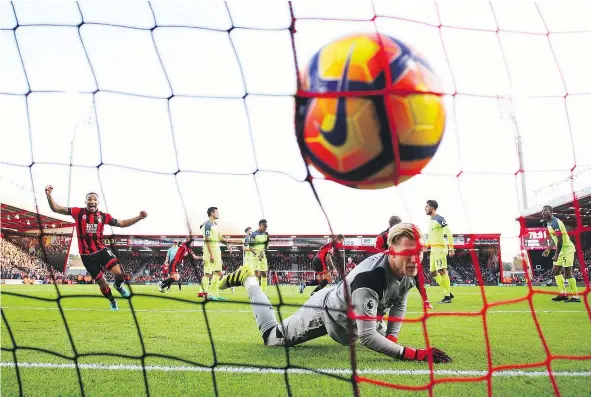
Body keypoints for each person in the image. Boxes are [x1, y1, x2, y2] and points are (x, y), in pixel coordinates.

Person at [219, 223, 451, 363]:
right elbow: (368, 338)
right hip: (325, 312)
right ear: (391, 251)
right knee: (271, 338)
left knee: (374, 331)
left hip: (350, 315)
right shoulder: (369, 278)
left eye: (420, 251)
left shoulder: (410, 269)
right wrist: (414, 354)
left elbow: (399, 301)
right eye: (409, 251)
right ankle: (248, 279)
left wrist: (392, 338)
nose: (415, 258)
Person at [45, 185, 147, 310]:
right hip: (86, 257)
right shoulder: (78, 212)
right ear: (86, 201)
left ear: (98, 202)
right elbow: (56, 209)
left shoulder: (104, 217)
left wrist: (139, 217)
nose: (92, 201)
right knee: (102, 284)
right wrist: (49, 195)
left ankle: (119, 286)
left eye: (94, 199)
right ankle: (112, 300)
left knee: (120, 274)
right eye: (89, 199)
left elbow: (122, 223)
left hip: (101, 251)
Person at [376, 216, 432, 310]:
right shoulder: (382, 237)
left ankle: (426, 301)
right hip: (387, 265)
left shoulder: (404, 235)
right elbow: (379, 253)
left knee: (419, 277)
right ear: (391, 226)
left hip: (403, 262)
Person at [541, 206, 580, 302]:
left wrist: (556, 254)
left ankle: (576, 296)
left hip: (567, 249)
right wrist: (548, 249)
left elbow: (560, 240)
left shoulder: (555, 223)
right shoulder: (548, 223)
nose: (543, 212)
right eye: (543, 210)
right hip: (561, 250)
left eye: (546, 210)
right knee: (555, 271)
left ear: (551, 212)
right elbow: (554, 239)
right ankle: (563, 294)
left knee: (567, 272)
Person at [200, 207, 233, 301]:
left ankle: (215, 294)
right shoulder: (207, 225)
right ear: (211, 213)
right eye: (216, 212)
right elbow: (207, 240)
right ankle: (209, 294)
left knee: (218, 272)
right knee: (213, 272)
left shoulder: (215, 224)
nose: (218, 214)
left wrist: (227, 244)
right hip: (210, 251)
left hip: (217, 250)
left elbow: (219, 237)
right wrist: (211, 254)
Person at [425, 200, 455, 304]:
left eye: (427, 206)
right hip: (433, 250)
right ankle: (448, 291)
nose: (425, 208)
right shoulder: (430, 221)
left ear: (432, 208)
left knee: (442, 270)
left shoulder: (440, 219)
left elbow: (449, 234)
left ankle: (447, 297)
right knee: (433, 273)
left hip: (440, 249)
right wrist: (426, 246)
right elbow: (430, 236)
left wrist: (451, 248)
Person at [246, 219, 270, 293]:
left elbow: (267, 245)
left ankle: (264, 291)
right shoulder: (253, 234)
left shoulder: (266, 234)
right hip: (255, 256)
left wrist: (263, 251)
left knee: (264, 273)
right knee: (256, 274)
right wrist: (257, 254)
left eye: (266, 226)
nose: (265, 228)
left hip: (262, 255)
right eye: (264, 226)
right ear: (260, 225)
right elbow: (250, 247)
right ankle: (255, 292)